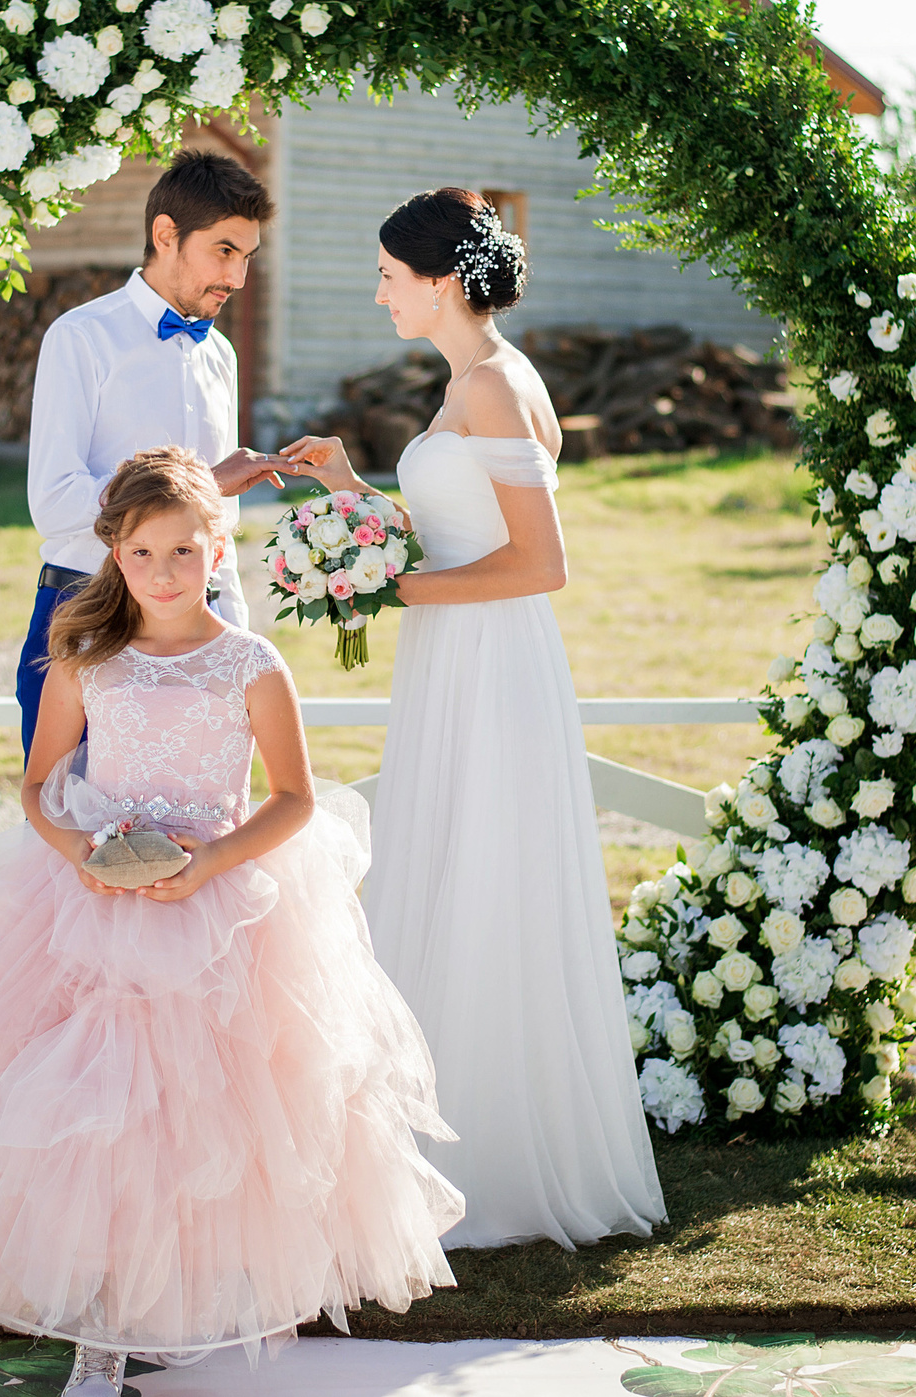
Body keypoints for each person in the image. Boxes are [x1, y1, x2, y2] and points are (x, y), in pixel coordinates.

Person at [0, 448, 461, 1396]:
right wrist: (79, 853)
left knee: (206, 1114)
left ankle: (179, 1301)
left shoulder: (251, 663)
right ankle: (99, 1314)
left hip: (219, 906)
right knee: (95, 1110)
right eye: (141, 553)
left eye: (182, 551)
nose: (163, 572)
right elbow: (40, 785)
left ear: (218, 547)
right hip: (91, 908)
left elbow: (294, 798)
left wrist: (207, 861)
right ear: (114, 554)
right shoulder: (87, 655)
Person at [279, 188, 665, 1250]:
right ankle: (433, 1137)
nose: (379, 294)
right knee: (448, 864)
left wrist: (390, 589)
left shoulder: (495, 382)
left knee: (487, 875)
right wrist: (350, 491)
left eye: (388, 276)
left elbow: (541, 563)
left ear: (442, 281)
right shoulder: (471, 379)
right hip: (458, 652)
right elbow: (454, 533)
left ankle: (491, 1163)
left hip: (493, 660)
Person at [18, 150, 295, 754]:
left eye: (247, 257)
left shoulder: (221, 355)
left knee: (198, 811)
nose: (238, 277)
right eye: (224, 251)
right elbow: (55, 502)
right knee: (71, 809)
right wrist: (200, 483)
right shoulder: (81, 337)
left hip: (201, 629)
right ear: (166, 235)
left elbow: (218, 528)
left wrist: (235, 633)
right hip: (89, 613)